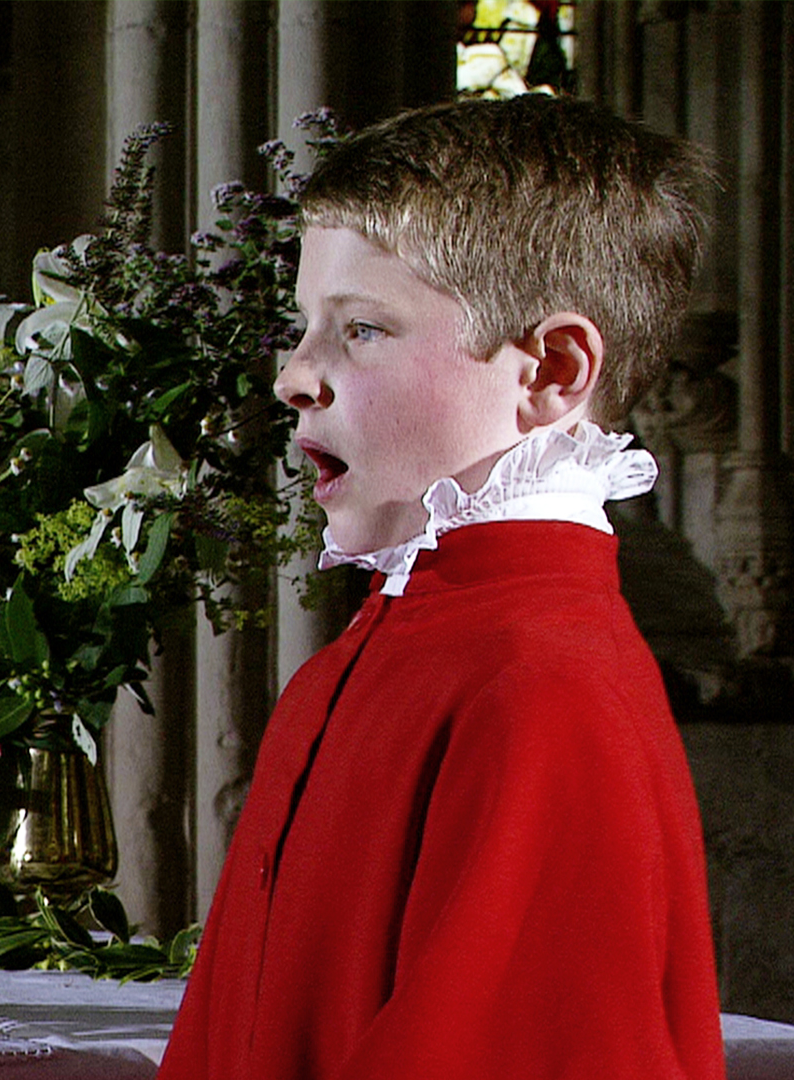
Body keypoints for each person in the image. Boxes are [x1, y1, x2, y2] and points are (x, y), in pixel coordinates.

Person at [159, 93, 725, 1079]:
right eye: (306, 327)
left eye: (364, 329)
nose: (295, 374)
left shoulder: (542, 684)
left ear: (551, 368)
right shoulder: (381, 649)